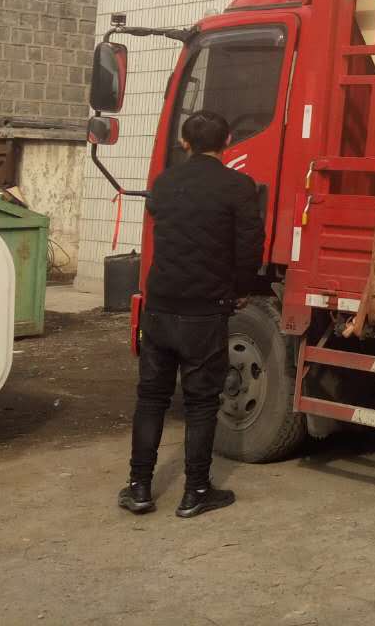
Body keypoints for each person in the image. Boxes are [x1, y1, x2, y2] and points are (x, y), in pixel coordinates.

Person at [118, 110, 263, 518]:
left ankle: (139, 487)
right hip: (205, 309)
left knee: (151, 397)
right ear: (228, 141)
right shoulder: (238, 187)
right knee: (201, 403)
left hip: (160, 305)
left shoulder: (164, 183)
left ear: (184, 143)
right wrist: (241, 289)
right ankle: (196, 491)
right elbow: (250, 245)